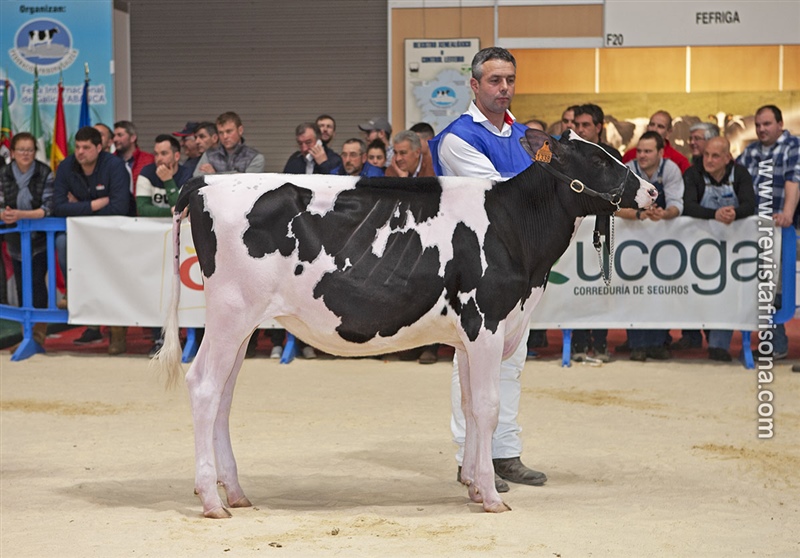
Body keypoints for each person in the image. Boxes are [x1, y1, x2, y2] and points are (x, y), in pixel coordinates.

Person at [429, 46, 547, 493]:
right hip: (473, 267)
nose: (504, 89)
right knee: (472, 361)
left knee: (512, 362)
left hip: (520, 265)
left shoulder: (526, 135)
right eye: (495, 81)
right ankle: (470, 457)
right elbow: (503, 198)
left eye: (510, 80)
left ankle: (505, 452)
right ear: (475, 85)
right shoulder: (458, 138)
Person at [52, 126, 132, 354]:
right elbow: (58, 207)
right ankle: (73, 291)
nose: (80, 152)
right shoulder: (67, 166)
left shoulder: (115, 166)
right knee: (61, 242)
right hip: (79, 235)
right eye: (77, 147)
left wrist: (77, 206)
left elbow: (119, 207)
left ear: (100, 147)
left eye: (86, 147)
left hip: (113, 233)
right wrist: (95, 204)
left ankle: (118, 331)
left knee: (113, 279)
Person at [681, 137, 756, 361]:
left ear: (727, 158)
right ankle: (692, 335)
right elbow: (688, 205)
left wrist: (735, 213)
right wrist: (714, 214)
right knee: (695, 293)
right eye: (706, 155)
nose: (709, 160)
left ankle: (718, 345)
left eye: (715, 156)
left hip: (731, 248)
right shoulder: (693, 174)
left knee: (728, 293)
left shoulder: (740, 174)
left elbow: (749, 205)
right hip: (696, 247)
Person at [737, 105, 800, 361]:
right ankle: (769, 345)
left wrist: (786, 214)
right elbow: (739, 184)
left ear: (780, 124)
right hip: (755, 230)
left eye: (767, 124)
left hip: (784, 232)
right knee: (762, 286)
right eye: (758, 125)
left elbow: (793, 180)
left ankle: (778, 343)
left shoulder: (793, 146)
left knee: (779, 289)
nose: (762, 129)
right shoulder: (750, 152)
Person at [617, 131, 684, 361]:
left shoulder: (671, 169)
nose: (642, 155)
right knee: (634, 290)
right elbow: (615, 205)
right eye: (640, 151)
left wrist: (665, 214)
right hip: (632, 238)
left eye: (648, 151)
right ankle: (637, 344)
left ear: (660, 152)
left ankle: (657, 343)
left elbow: (677, 203)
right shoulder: (628, 169)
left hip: (663, 240)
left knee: (661, 290)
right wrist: (639, 214)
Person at [570, 103, 620, 362]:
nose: (579, 129)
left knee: (602, 284)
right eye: (577, 125)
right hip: (571, 230)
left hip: (602, 226)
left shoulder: (611, 155)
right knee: (576, 286)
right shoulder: (569, 153)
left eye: (585, 125)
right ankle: (578, 343)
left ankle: (600, 343)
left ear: (599, 127)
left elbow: (616, 191)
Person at [136, 134, 194, 356]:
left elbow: (183, 209)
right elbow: (142, 208)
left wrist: (170, 181)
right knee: (155, 289)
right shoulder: (146, 174)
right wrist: (170, 211)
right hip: (152, 243)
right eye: (156, 153)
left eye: (164, 153)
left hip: (182, 243)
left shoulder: (187, 174)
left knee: (182, 290)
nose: (159, 159)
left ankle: (186, 338)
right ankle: (158, 338)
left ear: (176, 155)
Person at [0, 132, 54, 347]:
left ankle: (39, 334)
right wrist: (4, 214)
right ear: (12, 153)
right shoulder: (4, 173)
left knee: (37, 283)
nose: (25, 154)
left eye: (29, 150)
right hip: (14, 239)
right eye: (21, 150)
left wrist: (22, 215)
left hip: (40, 240)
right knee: (22, 286)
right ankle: (26, 335)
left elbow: (48, 208)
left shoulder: (45, 172)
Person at [194, 111, 265, 176]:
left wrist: (214, 175)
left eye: (229, 131)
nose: (225, 136)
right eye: (221, 132)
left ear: (240, 130)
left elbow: (247, 186)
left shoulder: (254, 157)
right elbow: (197, 182)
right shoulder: (209, 155)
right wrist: (238, 175)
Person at [622, 111, 691, 173]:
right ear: (647, 127)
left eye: (660, 127)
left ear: (669, 132)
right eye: (652, 125)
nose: (654, 129)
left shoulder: (680, 161)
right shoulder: (630, 155)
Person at [113, 120, 155, 205]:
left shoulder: (149, 160)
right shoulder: (110, 161)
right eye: (114, 136)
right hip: (117, 211)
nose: (115, 139)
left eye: (120, 135)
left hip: (142, 211)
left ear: (133, 138)